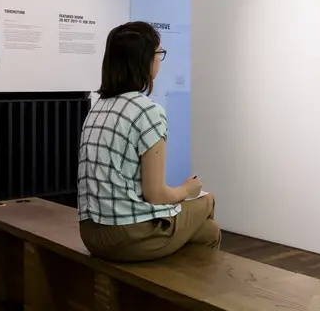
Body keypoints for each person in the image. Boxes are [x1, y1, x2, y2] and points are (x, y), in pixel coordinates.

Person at [77, 21, 221, 262]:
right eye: (158, 54)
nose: (159, 61)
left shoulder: (98, 108)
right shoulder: (148, 111)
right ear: (143, 60)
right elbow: (155, 194)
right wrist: (187, 189)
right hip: (128, 235)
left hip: (91, 233)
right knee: (206, 200)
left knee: (209, 232)